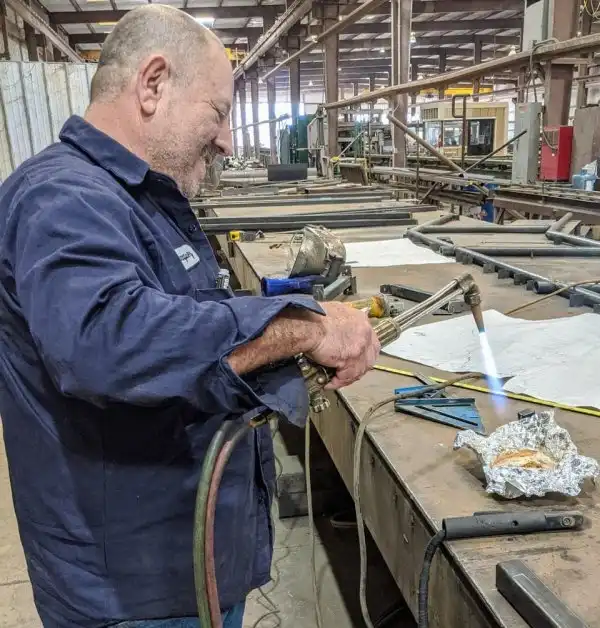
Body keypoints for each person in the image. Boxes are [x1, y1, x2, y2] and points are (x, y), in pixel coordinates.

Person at [0, 5, 380, 628]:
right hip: (133, 597)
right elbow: (108, 342)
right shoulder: (62, 198)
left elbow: (183, 328)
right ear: (152, 84)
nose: (227, 139)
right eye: (219, 111)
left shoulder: (134, 198)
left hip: (182, 566)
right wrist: (304, 327)